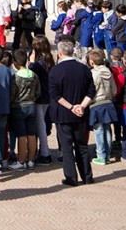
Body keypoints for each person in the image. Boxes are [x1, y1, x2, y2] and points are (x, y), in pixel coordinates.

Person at [48, 37, 95, 186]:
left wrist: (71, 107)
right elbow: (91, 90)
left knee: (67, 147)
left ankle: (71, 177)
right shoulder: (84, 68)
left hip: (64, 113)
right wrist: (81, 106)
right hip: (81, 113)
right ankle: (87, 176)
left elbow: (55, 94)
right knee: (82, 146)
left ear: (60, 53)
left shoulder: (55, 70)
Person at [8, 48, 40, 170]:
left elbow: (12, 94)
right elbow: (38, 92)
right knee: (31, 133)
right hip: (31, 105)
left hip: (19, 107)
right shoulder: (33, 75)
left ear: (15, 62)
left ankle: (21, 161)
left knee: (21, 135)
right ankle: (31, 160)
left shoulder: (15, 77)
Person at [87, 49, 117, 166]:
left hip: (97, 103)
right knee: (108, 129)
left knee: (98, 130)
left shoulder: (93, 74)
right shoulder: (109, 72)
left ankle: (101, 155)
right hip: (108, 102)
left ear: (92, 62)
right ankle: (108, 154)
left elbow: (91, 90)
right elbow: (114, 90)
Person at [29, 36, 54, 164]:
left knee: (40, 125)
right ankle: (43, 151)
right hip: (47, 95)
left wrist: (31, 63)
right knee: (42, 124)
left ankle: (45, 153)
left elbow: (31, 75)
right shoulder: (49, 59)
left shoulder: (39, 63)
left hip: (40, 97)